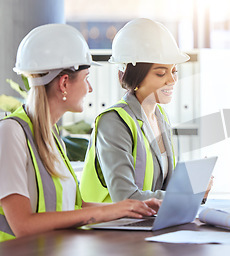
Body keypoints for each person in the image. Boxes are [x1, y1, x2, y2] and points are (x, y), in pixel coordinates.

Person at [0, 24, 160, 242]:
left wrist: (128, 208)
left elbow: (75, 207)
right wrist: (107, 212)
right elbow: (23, 225)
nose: (90, 88)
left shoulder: (51, 137)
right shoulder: (11, 133)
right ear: (64, 83)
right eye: (86, 77)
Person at [80, 18, 213, 203]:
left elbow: (164, 188)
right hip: (110, 227)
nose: (172, 80)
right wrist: (186, 195)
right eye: (161, 73)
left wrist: (193, 188)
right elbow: (126, 197)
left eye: (174, 71)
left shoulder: (160, 117)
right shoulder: (114, 122)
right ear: (136, 76)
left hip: (147, 224)